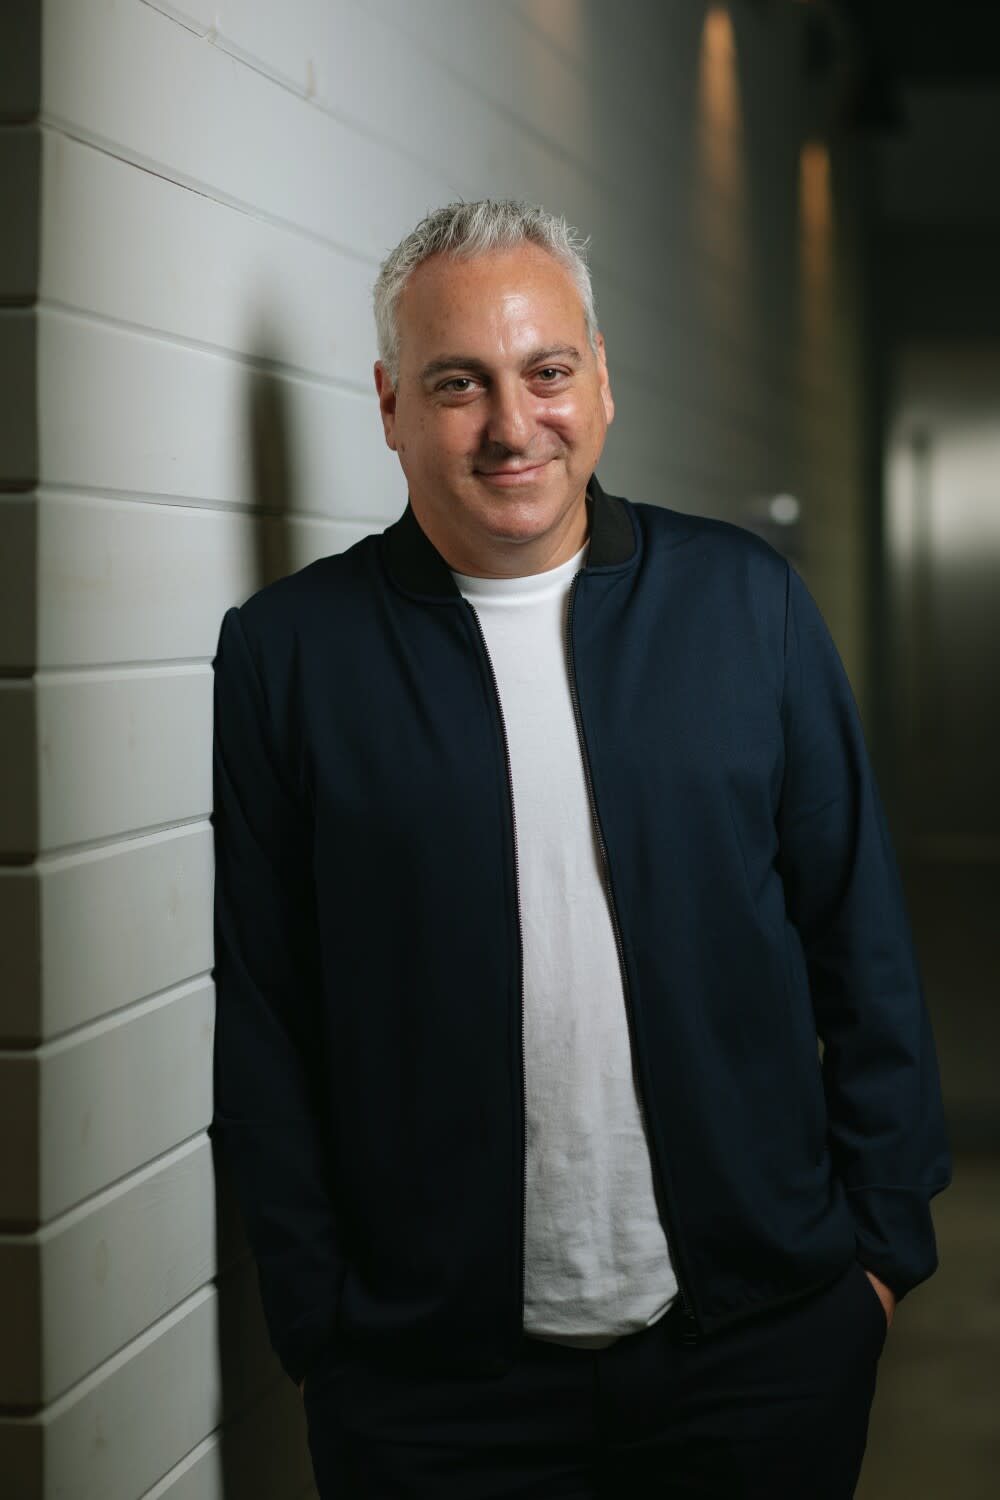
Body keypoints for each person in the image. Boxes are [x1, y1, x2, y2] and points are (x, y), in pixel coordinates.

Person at [210, 200, 951, 1499]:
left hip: (760, 1349)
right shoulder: (291, 658)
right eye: (459, 384)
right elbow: (267, 1016)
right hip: (434, 1393)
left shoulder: (746, 606)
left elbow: (862, 946)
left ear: (600, 384)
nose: (512, 424)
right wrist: (326, 1327)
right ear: (390, 405)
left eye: (547, 371)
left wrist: (876, 1262)